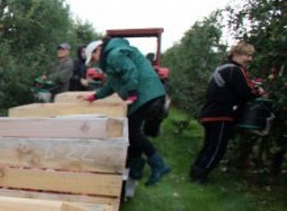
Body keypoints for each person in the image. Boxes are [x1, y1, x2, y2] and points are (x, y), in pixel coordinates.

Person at [82, 37, 171, 185]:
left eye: (94, 57)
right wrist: (93, 97)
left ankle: (158, 164)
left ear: (99, 50)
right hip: (144, 94)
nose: (95, 61)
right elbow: (111, 85)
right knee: (131, 130)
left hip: (146, 93)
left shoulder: (114, 54)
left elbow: (131, 70)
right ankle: (135, 170)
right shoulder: (112, 59)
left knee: (132, 131)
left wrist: (132, 94)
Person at [190, 42, 263, 183]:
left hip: (210, 113)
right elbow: (247, 92)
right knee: (217, 148)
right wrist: (259, 92)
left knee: (209, 146)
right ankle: (200, 176)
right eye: (248, 55)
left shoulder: (222, 68)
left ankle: (195, 172)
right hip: (222, 114)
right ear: (237, 54)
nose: (250, 59)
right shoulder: (235, 70)